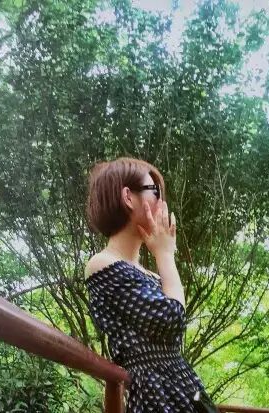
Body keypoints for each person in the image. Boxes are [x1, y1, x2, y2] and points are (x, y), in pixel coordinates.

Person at [84, 156, 208, 412]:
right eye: (155, 192)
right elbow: (172, 317)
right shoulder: (102, 264)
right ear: (128, 198)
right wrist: (165, 254)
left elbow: (173, 330)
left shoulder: (149, 275)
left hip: (181, 390)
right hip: (156, 396)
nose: (162, 203)